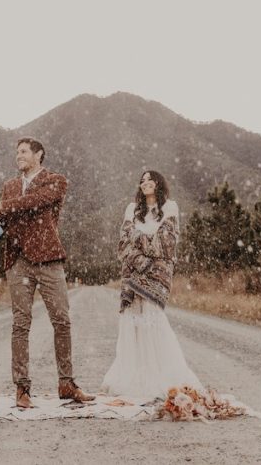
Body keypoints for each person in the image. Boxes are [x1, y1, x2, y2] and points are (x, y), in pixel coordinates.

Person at [0, 137, 94, 409]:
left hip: (49, 260)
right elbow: (5, 224)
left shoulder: (56, 181)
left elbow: (34, 203)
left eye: (23, 152)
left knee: (62, 321)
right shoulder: (9, 186)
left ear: (38, 155)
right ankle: (22, 388)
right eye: (16, 152)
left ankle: (66, 383)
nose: (18, 156)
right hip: (18, 262)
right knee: (21, 324)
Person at [101, 170, 204, 399]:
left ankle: (159, 375)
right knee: (133, 323)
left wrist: (138, 241)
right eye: (142, 180)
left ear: (158, 183)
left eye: (150, 179)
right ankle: (135, 376)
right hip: (132, 273)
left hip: (157, 275)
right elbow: (123, 245)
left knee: (152, 320)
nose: (146, 183)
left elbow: (165, 244)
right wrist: (142, 255)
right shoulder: (131, 209)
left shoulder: (170, 207)